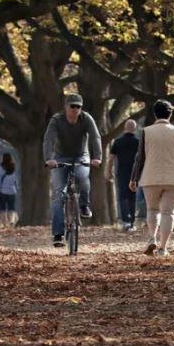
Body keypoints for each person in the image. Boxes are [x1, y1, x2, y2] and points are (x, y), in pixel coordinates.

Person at [129, 100, 174, 256]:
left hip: (150, 177)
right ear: (170, 114)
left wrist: (134, 178)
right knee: (168, 213)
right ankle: (163, 248)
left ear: (155, 114)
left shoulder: (146, 131)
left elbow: (140, 157)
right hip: (173, 177)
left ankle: (152, 238)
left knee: (152, 209)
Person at [43, 93, 102, 247]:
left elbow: (95, 137)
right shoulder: (56, 120)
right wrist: (48, 158)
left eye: (78, 107)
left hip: (81, 156)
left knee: (83, 178)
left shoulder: (87, 119)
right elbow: (48, 139)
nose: (75, 109)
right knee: (58, 195)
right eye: (72, 106)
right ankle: (58, 234)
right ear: (65, 107)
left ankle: (83, 205)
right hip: (60, 157)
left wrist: (97, 157)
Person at [107, 119, 140, 231]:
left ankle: (125, 221)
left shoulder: (118, 141)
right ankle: (132, 222)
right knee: (132, 196)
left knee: (122, 196)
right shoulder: (138, 142)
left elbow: (111, 158)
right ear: (135, 129)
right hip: (134, 173)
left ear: (125, 128)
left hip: (121, 173)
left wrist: (109, 171)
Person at [0, 152, 18, 227]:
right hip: (12, 191)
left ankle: (5, 224)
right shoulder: (14, 168)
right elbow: (16, 181)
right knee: (11, 208)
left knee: (2, 209)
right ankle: (11, 221)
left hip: (2, 191)